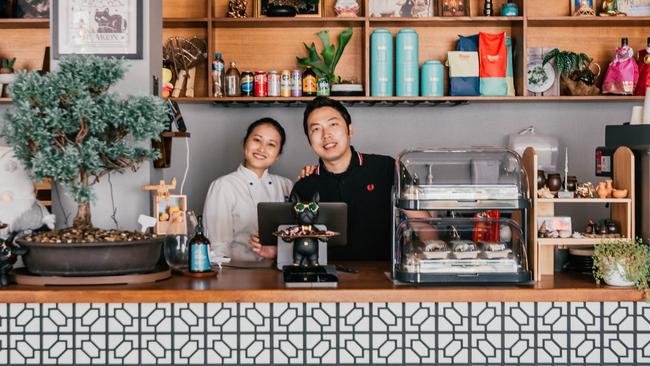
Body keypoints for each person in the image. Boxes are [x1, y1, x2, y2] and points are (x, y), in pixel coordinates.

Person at [252, 96, 396, 261]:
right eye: (316, 129)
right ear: (309, 141)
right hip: (324, 279)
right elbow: (299, 244)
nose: (326, 135)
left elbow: (417, 221)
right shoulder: (304, 187)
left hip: (382, 279)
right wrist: (276, 252)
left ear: (350, 130)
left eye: (333, 124)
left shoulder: (385, 167)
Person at [203, 117, 292, 262]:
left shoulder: (286, 186)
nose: (262, 149)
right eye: (257, 140)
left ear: (278, 155)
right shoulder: (223, 186)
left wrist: (277, 252)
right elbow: (218, 247)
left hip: (280, 273)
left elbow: (297, 236)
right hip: (237, 276)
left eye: (271, 144)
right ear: (245, 143)